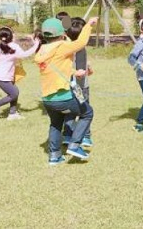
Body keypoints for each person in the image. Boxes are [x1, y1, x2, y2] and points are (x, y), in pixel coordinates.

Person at [34, 16, 98, 165]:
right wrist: (89, 25)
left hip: (48, 99)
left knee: (56, 124)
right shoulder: (61, 47)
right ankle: (75, 145)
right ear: (62, 34)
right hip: (64, 96)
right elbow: (81, 43)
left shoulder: (43, 49)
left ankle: (55, 156)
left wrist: (75, 72)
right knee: (87, 113)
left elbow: (57, 68)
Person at [0, 27, 39, 120]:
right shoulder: (13, 46)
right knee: (14, 93)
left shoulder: (1, 45)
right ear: (10, 36)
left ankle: (12, 113)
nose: (15, 35)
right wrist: (36, 44)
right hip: (3, 77)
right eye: (13, 33)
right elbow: (25, 54)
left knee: (13, 92)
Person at [62, 17, 95, 148]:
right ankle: (85, 136)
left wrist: (88, 68)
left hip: (68, 86)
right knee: (85, 111)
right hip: (79, 87)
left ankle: (68, 135)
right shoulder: (79, 48)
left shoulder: (65, 46)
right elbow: (80, 70)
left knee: (70, 111)